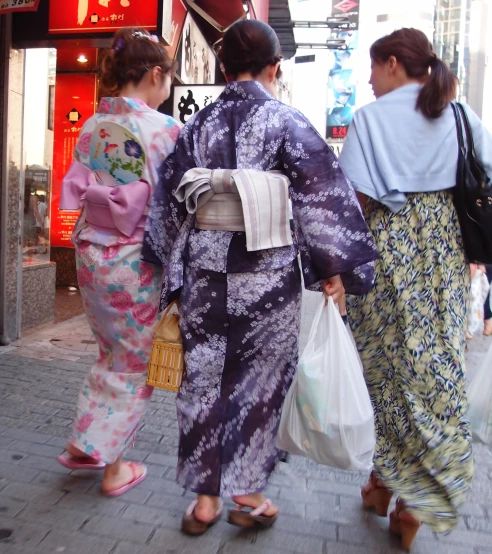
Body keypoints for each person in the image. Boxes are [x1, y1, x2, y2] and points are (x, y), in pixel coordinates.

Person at [143, 19, 378, 536]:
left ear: (224, 67)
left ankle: (205, 502)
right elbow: (321, 195)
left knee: (202, 382)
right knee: (260, 383)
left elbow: (169, 203)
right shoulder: (287, 122)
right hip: (267, 277)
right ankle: (247, 496)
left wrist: (163, 262)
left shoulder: (198, 124)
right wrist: (335, 268)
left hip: (207, 273)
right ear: (275, 67)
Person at [339, 28, 492, 550]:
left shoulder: (369, 120)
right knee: (434, 371)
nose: (370, 81)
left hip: (385, 262)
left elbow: (353, 203)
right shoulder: (460, 116)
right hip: (443, 263)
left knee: (384, 375)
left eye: (374, 69)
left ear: (394, 63)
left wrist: (333, 271)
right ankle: (408, 501)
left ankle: (385, 483)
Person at [56, 27, 180, 497]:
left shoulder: (91, 125)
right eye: (167, 77)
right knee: (134, 362)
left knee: (112, 352)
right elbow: (177, 204)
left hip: (91, 254)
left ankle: (91, 443)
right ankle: (106, 460)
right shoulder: (166, 131)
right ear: (154, 74)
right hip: (133, 260)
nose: (168, 86)